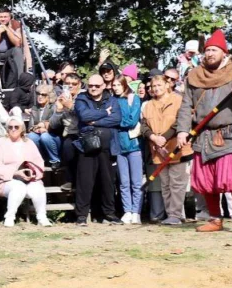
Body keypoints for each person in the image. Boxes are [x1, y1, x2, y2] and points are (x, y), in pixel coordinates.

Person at [177, 30, 232, 235]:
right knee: (207, 180)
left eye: (214, 50)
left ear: (224, 52)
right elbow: (186, 105)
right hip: (203, 133)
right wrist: (182, 131)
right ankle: (215, 219)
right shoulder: (194, 75)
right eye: (207, 50)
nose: (210, 54)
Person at [140, 68, 189, 226]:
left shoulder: (178, 100)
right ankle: (171, 215)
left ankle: (176, 214)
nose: (156, 88)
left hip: (177, 148)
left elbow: (179, 122)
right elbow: (144, 126)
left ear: (167, 85)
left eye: (159, 85)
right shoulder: (148, 105)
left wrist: (164, 138)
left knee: (177, 183)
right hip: (157, 150)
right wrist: (154, 138)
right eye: (153, 86)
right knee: (165, 184)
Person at [73, 74, 122, 226]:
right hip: (87, 147)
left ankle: (109, 213)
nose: (93, 88)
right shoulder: (82, 99)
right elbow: (84, 115)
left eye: (96, 85)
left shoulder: (112, 100)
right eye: (91, 85)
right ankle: (81, 216)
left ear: (103, 86)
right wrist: (105, 113)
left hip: (107, 148)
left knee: (108, 182)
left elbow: (117, 118)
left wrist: (94, 121)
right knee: (84, 182)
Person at [0, 120, 50, 228]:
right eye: (10, 127)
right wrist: (15, 173)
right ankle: (9, 217)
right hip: (5, 180)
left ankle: (42, 217)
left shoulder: (29, 143)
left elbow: (38, 161)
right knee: (18, 187)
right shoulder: (0, 143)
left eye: (16, 127)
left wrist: (32, 173)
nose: (13, 129)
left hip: (28, 179)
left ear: (22, 128)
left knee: (38, 188)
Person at [112, 77, 144, 224]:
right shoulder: (112, 100)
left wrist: (117, 122)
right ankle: (127, 210)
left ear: (125, 85)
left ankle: (136, 211)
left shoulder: (134, 98)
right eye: (114, 85)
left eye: (119, 84)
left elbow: (132, 120)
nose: (116, 87)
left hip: (134, 145)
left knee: (136, 182)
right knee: (124, 182)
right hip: (119, 145)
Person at [0, 7, 25, 89]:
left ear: (10, 17)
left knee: (18, 50)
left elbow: (17, 43)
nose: (3, 19)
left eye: (5, 17)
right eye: (0, 17)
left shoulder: (15, 24)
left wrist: (7, 30)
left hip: (9, 52)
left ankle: (20, 82)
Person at [27, 84, 60, 167]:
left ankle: (55, 160)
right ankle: (41, 158)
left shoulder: (54, 107)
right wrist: (37, 129)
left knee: (44, 136)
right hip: (39, 134)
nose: (40, 96)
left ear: (49, 97)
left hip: (54, 136)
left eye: (43, 95)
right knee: (31, 136)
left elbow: (55, 125)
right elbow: (30, 128)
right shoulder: (35, 108)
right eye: (38, 94)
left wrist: (45, 128)